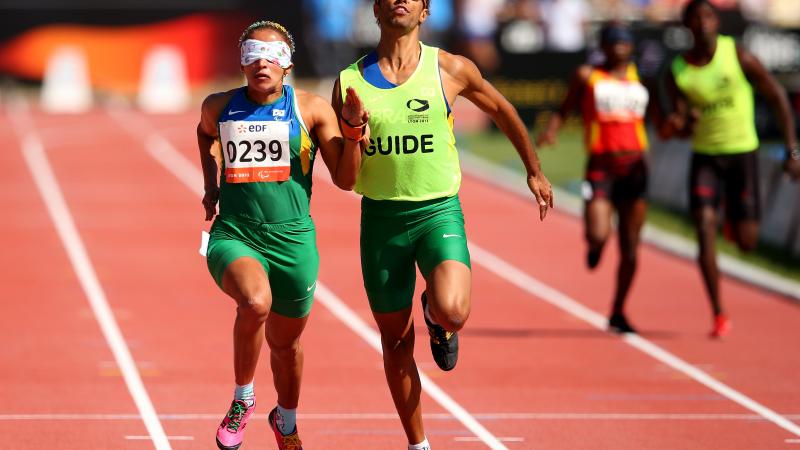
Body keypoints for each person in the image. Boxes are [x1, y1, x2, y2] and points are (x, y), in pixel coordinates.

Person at [333, 1, 554, 448]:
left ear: (425, 12)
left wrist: (533, 169)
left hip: (438, 212)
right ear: (376, 10)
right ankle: (418, 444)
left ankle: (436, 318)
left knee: (454, 309)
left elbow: (502, 108)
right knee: (395, 341)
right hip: (382, 221)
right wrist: (354, 133)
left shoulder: (449, 68)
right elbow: (345, 178)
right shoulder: (349, 82)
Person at [197, 20, 365, 450]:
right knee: (255, 302)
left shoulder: (309, 109)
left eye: (273, 55)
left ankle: (285, 419)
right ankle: (243, 399)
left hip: (293, 242)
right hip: (236, 233)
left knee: (286, 345)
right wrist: (210, 184)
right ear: (241, 60)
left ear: (288, 65)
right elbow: (203, 135)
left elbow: (346, 181)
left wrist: (354, 134)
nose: (262, 62)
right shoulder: (218, 106)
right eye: (253, 52)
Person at [661, 0, 800, 338]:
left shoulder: (736, 54)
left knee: (747, 242)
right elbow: (674, 125)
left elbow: (777, 95)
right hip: (706, 157)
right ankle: (719, 312)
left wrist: (791, 149)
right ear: (687, 27)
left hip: (742, 154)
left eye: (708, 15)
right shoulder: (677, 70)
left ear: (716, 21)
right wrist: (683, 121)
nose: (703, 23)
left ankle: (731, 222)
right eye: (695, 18)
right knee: (703, 229)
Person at [537, 23, 651, 334]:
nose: (619, 48)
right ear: (603, 46)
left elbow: (661, 118)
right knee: (600, 234)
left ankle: (618, 310)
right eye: (613, 43)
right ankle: (595, 244)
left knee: (631, 246)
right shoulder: (587, 75)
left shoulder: (641, 77)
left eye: (624, 42)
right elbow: (565, 107)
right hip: (601, 166)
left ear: (631, 47)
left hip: (636, 167)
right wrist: (551, 129)